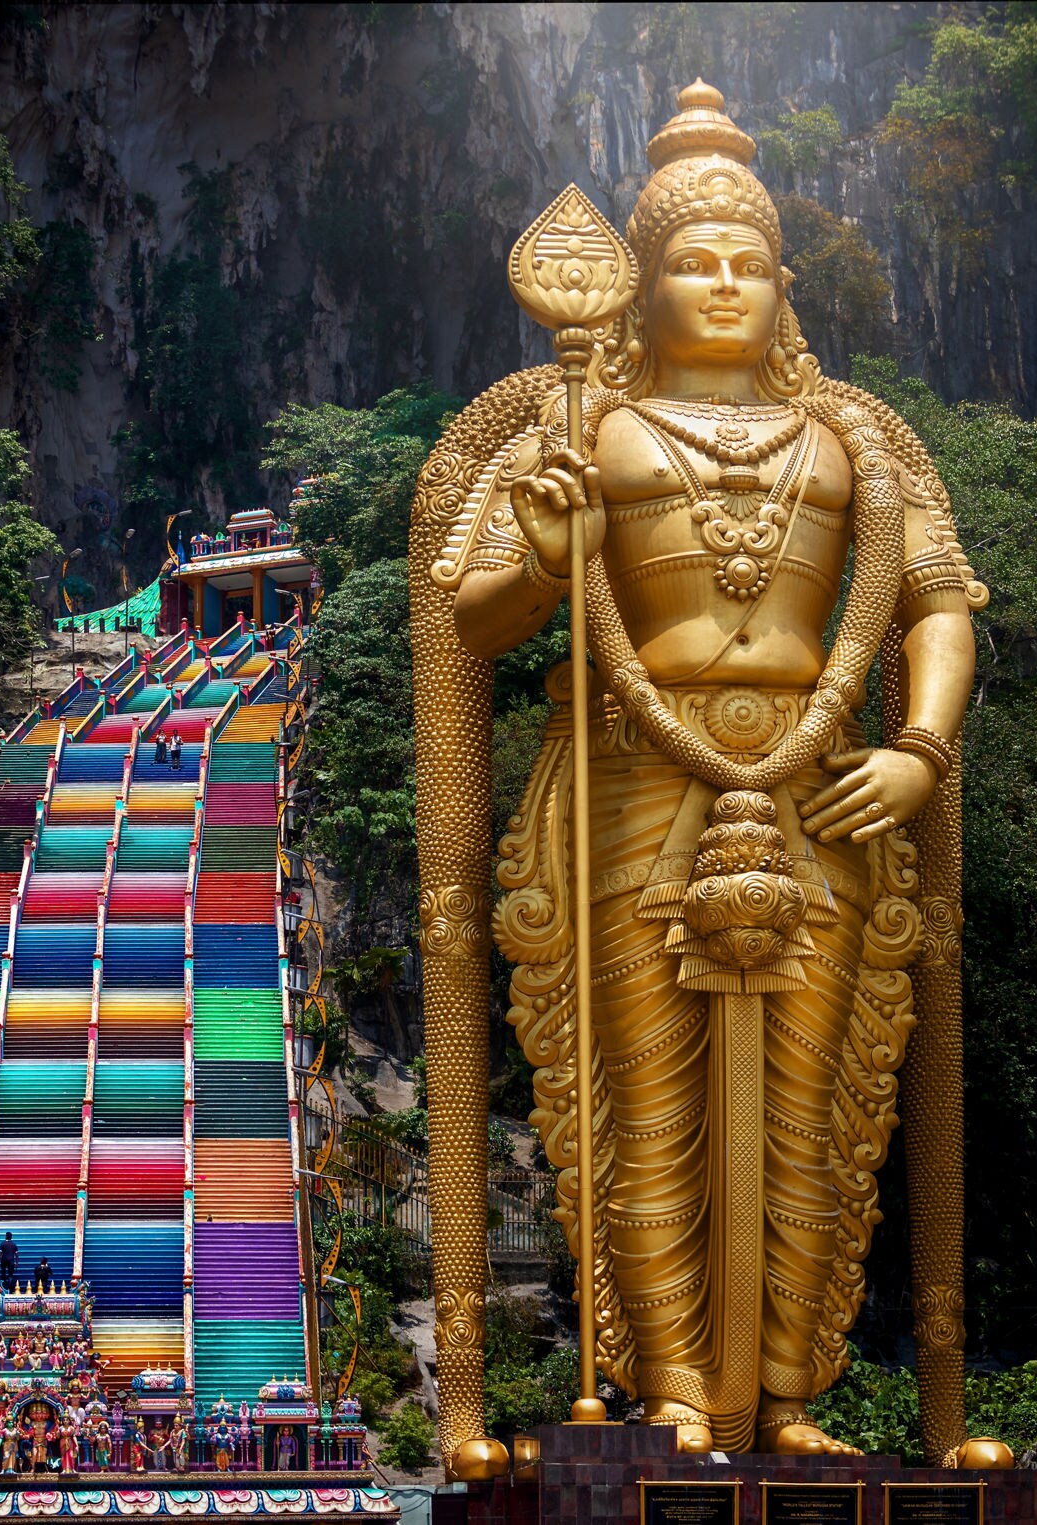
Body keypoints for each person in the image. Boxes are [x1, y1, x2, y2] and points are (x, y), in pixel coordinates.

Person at [414, 80, 1000, 1467]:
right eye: (694, 260)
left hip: (823, 783)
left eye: (747, 261)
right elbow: (472, 616)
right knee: (645, 1099)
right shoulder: (580, 430)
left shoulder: (855, 441)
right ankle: (674, 1388)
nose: (723, 281)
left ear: (782, 283)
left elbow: (936, 604)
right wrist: (552, 551)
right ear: (643, 283)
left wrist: (917, 748)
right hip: (633, 777)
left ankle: (790, 1394)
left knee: (816, 1098)